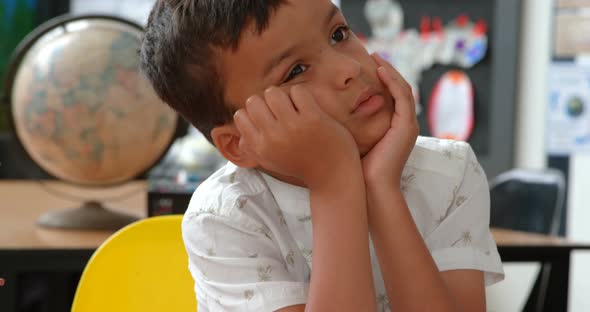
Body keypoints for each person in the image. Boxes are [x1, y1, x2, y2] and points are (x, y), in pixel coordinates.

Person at [139, 0, 504, 311]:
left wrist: (381, 189)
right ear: (240, 143)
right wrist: (335, 184)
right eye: (296, 71)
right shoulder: (227, 218)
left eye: (338, 35)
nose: (350, 69)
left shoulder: (449, 173)